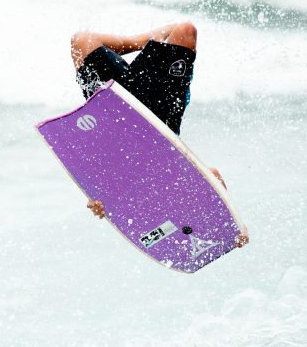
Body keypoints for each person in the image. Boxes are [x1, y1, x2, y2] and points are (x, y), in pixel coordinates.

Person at [70, 22, 249, 248]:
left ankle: (137, 44)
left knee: (81, 41)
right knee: (186, 31)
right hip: (159, 114)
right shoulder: (179, 179)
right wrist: (235, 228)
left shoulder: (132, 197)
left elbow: (96, 181)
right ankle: (142, 43)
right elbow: (214, 183)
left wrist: (94, 202)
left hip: (113, 111)